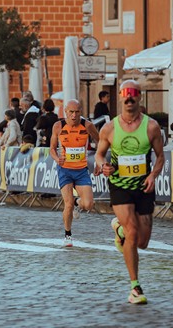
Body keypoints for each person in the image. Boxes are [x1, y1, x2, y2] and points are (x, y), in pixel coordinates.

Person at [94, 80, 164, 305]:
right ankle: (135, 288)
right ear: (121, 99)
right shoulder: (109, 128)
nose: (129, 99)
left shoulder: (151, 126)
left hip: (143, 187)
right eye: (126, 95)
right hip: (120, 185)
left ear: (139, 98)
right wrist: (103, 165)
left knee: (142, 242)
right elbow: (99, 155)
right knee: (133, 231)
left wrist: (153, 175)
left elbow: (160, 157)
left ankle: (119, 230)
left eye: (133, 95)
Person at [50, 99, 100, 247]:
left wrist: (98, 162)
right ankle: (68, 235)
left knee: (89, 204)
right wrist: (57, 159)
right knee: (68, 204)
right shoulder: (58, 126)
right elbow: (52, 148)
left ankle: (79, 203)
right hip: (64, 169)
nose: (74, 115)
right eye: (71, 112)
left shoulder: (88, 126)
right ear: (65, 111)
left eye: (77, 112)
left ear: (81, 112)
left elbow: (100, 143)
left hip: (81, 170)